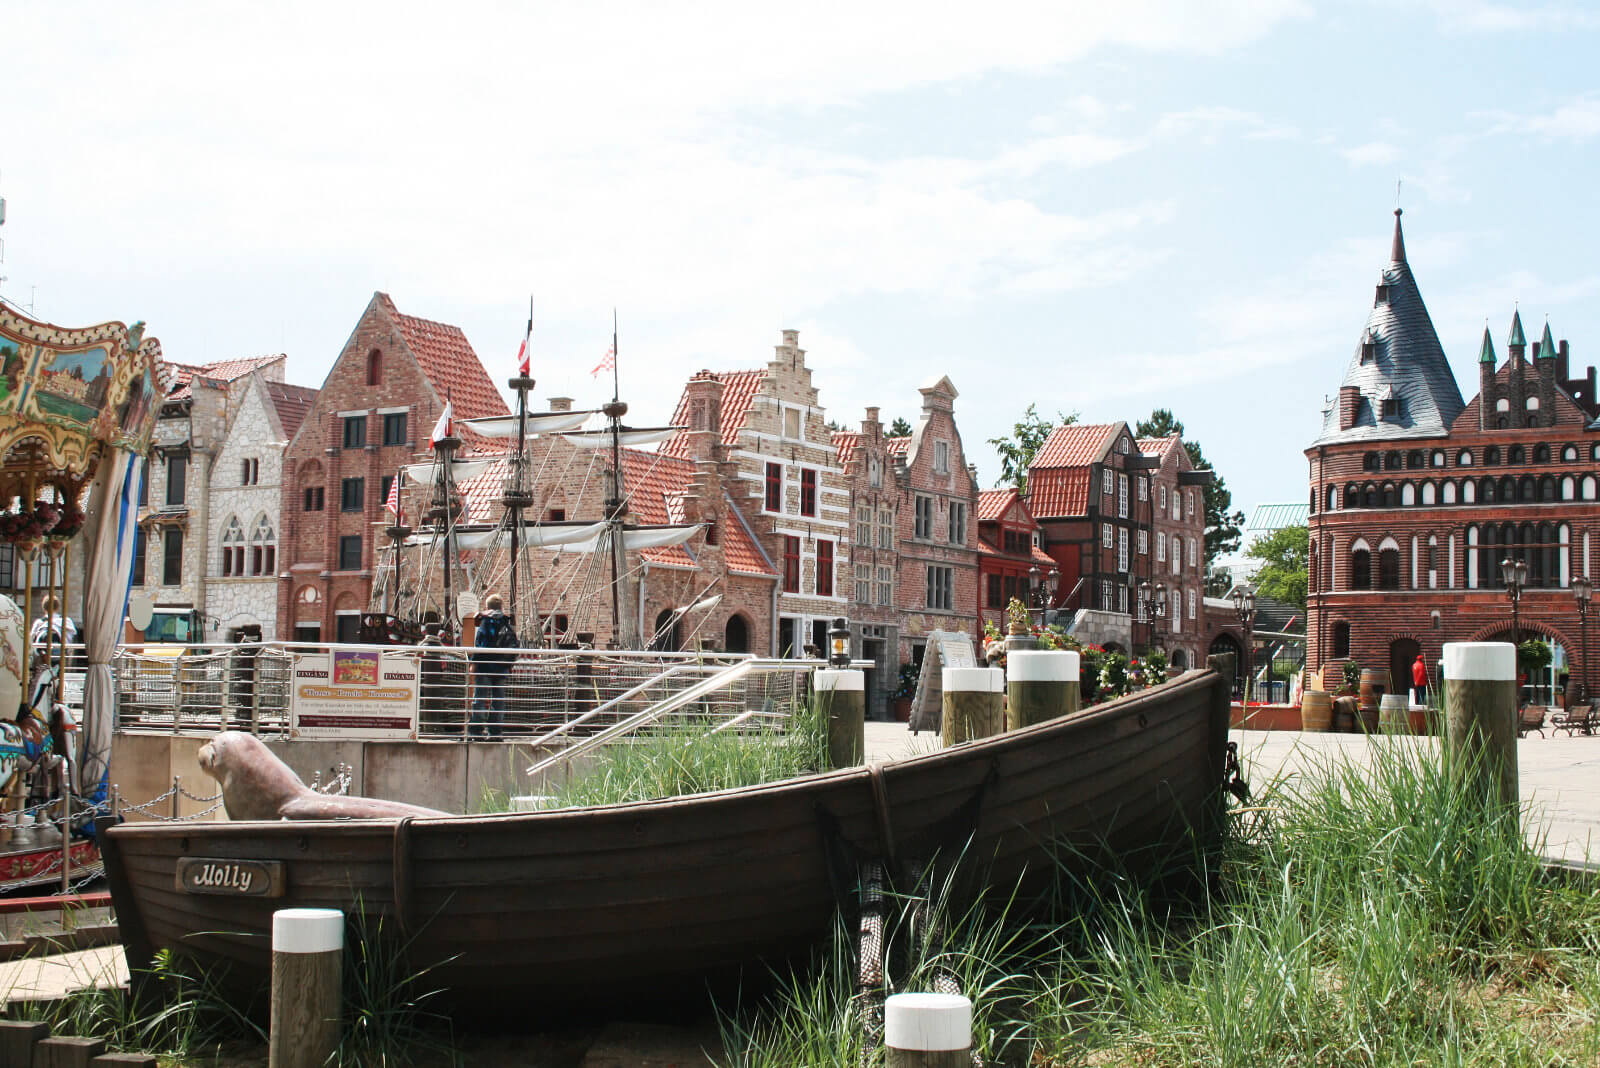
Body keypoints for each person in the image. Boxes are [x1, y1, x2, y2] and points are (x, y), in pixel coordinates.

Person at [471, 594, 518, 738]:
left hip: (485, 666)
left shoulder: (485, 622)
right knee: (498, 700)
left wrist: (474, 662)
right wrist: (509, 663)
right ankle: (495, 731)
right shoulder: (505, 622)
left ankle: (476, 731)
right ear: (501, 607)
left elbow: (481, 644)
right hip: (502, 666)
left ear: (487, 607)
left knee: (480, 698)